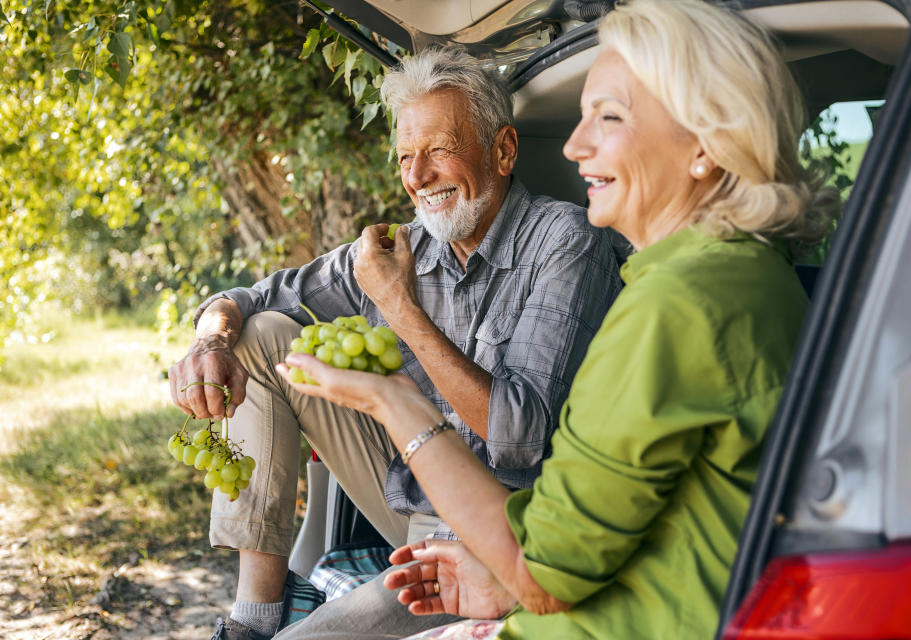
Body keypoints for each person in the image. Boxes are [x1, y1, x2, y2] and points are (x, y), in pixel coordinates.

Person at [276, 0, 838, 638]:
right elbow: (646, 527)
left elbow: (539, 577)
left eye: (611, 117)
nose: (574, 145)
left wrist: (396, 402)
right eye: (583, 117)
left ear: (705, 145)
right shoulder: (747, 273)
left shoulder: (677, 305)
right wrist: (498, 580)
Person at [168, 46, 622, 640]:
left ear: (504, 150)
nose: (416, 177)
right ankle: (257, 614)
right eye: (407, 157)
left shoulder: (564, 242)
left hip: (502, 539)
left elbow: (521, 433)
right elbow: (252, 298)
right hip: (411, 504)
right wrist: (211, 339)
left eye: (438, 150)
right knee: (261, 337)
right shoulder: (402, 245)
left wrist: (399, 307)